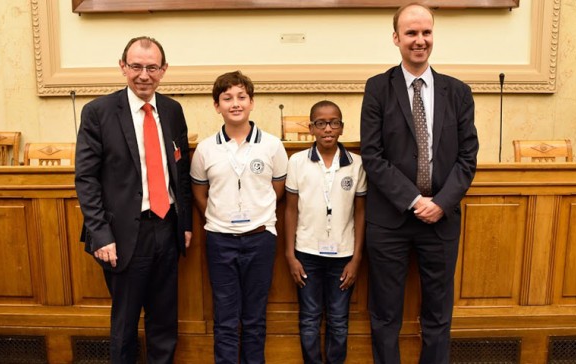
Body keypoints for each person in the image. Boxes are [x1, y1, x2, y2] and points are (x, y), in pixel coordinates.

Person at [360, 3, 479, 364]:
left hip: (441, 220)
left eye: (426, 32)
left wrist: (440, 202)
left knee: (439, 316)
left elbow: (467, 158)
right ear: (396, 38)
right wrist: (414, 200)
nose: (420, 40)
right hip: (390, 221)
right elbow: (373, 155)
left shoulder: (457, 92)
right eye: (411, 33)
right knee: (384, 315)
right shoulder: (378, 88)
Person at [75, 36, 193, 363]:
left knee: (164, 322)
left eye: (152, 67)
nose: (144, 75)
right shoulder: (98, 112)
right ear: (123, 67)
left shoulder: (172, 111)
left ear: (163, 70)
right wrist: (100, 235)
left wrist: (184, 224)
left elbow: (179, 172)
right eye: (137, 66)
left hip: (167, 230)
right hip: (125, 236)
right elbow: (86, 179)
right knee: (125, 325)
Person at [190, 70, 288, 364]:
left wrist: (256, 213)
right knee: (225, 317)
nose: (235, 103)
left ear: (252, 102)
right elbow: (199, 193)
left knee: (255, 317)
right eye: (227, 98)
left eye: (241, 97)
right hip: (220, 241)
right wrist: (220, 218)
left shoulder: (271, 145)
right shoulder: (206, 149)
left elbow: (277, 190)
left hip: (260, 239)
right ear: (216, 105)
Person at [284, 100, 366, 364]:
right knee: (309, 318)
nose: (327, 128)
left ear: (342, 128)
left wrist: (356, 259)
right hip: (306, 254)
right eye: (321, 123)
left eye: (334, 123)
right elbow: (290, 210)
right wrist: (290, 255)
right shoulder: (297, 162)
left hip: (343, 255)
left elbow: (361, 212)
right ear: (311, 128)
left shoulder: (356, 164)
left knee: (339, 321)